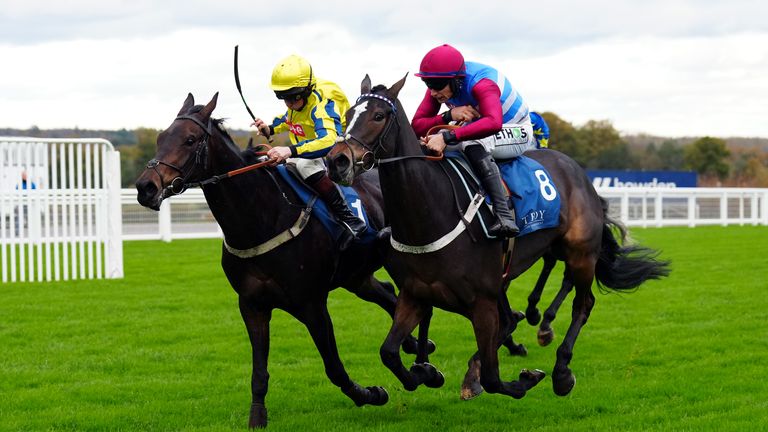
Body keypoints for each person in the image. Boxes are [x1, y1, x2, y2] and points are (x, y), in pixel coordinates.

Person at [412, 44, 541, 238]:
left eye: (436, 86)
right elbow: (417, 126)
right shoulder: (441, 84)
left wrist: (447, 136)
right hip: (481, 127)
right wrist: (448, 115)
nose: (432, 92)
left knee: (471, 144)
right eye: (427, 84)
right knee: (426, 143)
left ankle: (504, 215)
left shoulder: (482, 83)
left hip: (516, 130)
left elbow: (493, 123)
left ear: (456, 81)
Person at [250, 54, 366, 250]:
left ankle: (349, 218)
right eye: (282, 96)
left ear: (306, 90)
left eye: (292, 96)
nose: (287, 102)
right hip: (310, 149)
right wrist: (269, 128)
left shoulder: (322, 104)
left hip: (339, 149)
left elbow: (329, 141)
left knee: (303, 164)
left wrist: (290, 150)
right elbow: (287, 119)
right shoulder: (297, 103)